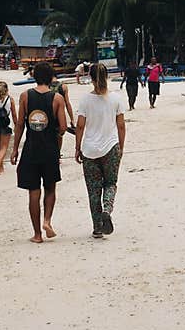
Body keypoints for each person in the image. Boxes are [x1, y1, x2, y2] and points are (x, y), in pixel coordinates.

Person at [11, 62, 67, 243]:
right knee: (50, 188)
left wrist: (14, 150)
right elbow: (63, 127)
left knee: (33, 192)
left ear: (35, 76)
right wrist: (54, 136)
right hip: (50, 149)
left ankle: (37, 235)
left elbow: (20, 124)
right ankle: (47, 221)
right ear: (51, 77)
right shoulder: (57, 98)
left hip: (31, 149)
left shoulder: (25, 96)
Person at [75, 64, 126, 238]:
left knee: (93, 190)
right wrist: (121, 147)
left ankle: (97, 228)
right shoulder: (116, 99)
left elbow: (80, 126)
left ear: (90, 77)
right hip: (111, 147)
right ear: (107, 75)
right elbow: (121, 125)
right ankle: (107, 210)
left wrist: (77, 148)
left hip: (89, 150)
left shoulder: (85, 100)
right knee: (110, 183)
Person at [50, 71, 76, 144]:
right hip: (60, 116)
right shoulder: (63, 86)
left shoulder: (46, 86)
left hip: (49, 115)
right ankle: (58, 153)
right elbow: (68, 103)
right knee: (60, 136)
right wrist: (72, 119)